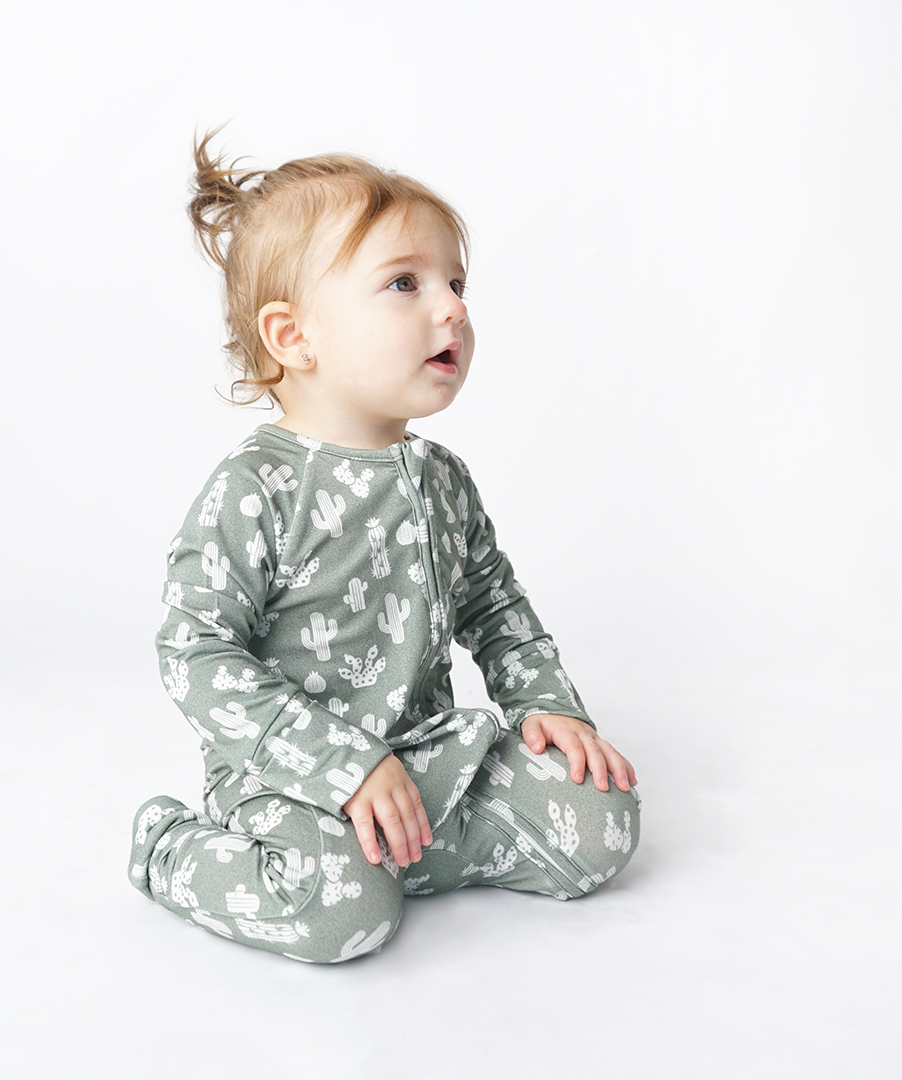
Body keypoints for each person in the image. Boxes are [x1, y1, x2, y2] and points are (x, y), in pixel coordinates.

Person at [128, 131, 640, 963]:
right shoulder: (256, 490)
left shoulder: (442, 477)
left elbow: (495, 608)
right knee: (340, 922)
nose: (453, 308)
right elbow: (195, 653)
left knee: (600, 821)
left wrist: (548, 707)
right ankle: (172, 849)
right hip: (293, 781)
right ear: (294, 338)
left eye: (455, 283)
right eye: (405, 283)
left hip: (427, 758)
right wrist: (339, 767)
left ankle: (399, 851)